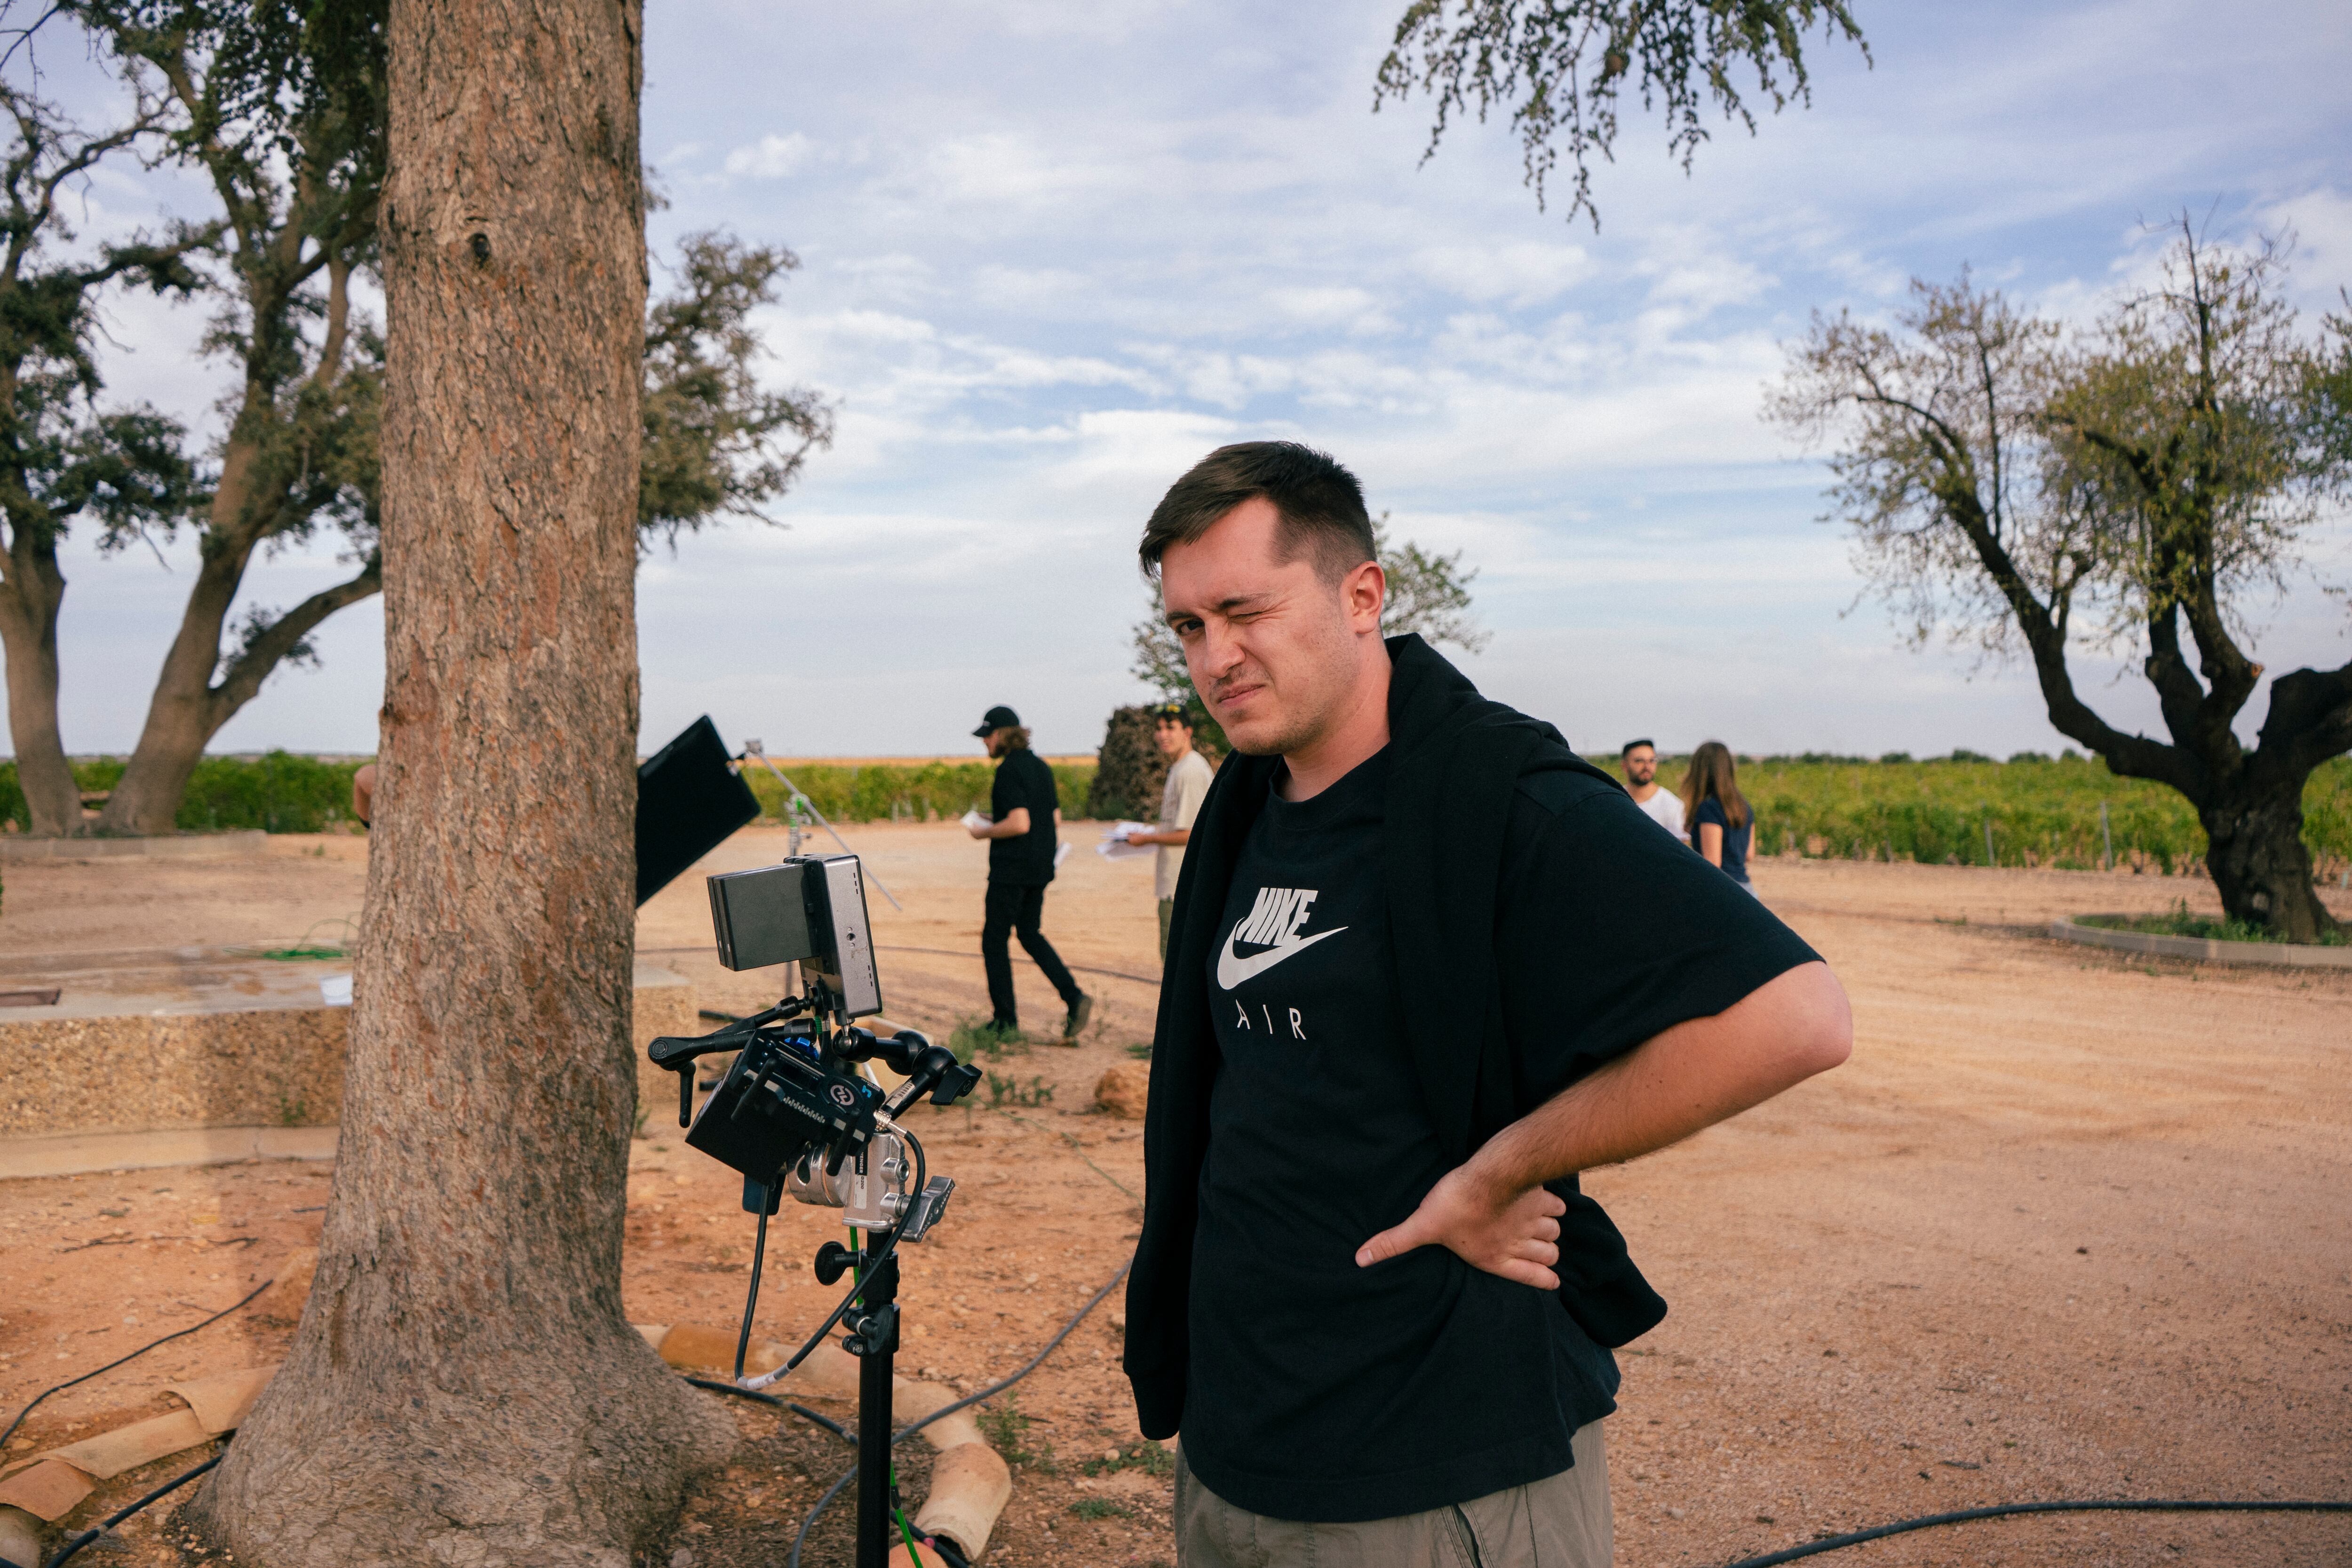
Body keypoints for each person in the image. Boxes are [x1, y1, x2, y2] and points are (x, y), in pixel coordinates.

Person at [1124, 440, 1851, 1568]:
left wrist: (1499, 1169)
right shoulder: (1248, 806)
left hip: (1431, 1474)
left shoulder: (1500, 798)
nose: (1215, 658)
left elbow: (1795, 1015)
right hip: (1241, 1452)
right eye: (1188, 628)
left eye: (1243, 611)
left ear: (1361, 595)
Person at [965, 705, 1092, 1041]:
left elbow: (1020, 822)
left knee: (994, 940)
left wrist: (983, 831)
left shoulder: (1008, 770)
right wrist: (998, 820)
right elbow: (1052, 820)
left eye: (988, 736)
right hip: (1040, 867)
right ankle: (1073, 996)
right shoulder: (1040, 767)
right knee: (1029, 933)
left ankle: (1005, 1021)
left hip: (1011, 871)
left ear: (1003, 735)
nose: (985, 743)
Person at [1119, 700, 1216, 960]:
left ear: (1188, 732)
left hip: (1182, 886)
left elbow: (1192, 833)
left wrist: (1147, 839)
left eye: (1171, 728)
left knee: (1176, 962)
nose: (1163, 735)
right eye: (1159, 728)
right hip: (1173, 883)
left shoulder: (1191, 770)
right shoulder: (1179, 768)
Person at [1681, 740, 1756, 893]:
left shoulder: (1708, 808)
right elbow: (1749, 855)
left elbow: (1713, 863)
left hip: (1723, 892)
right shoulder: (1744, 806)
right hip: (1746, 891)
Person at [1619, 738, 1681, 836]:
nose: (1647, 767)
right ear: (1624, 766)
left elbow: (1680, 848)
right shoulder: (1616, 800)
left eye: (1652, 761)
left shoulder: (1672, 806)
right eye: (1639, 761)